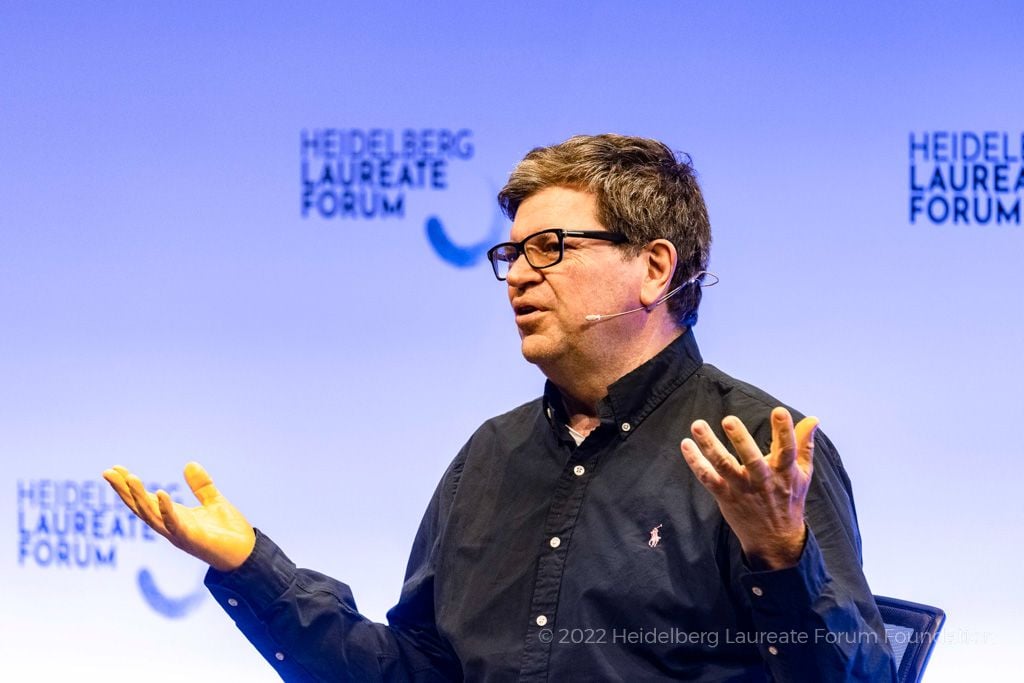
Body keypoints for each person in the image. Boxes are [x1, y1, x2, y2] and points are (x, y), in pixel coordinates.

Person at [104, 134, 897, 682]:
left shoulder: (760, 449)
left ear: (654, 267)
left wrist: (782, 556)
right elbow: (413, 670)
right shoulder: (489, 456)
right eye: (511, 253)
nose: (518, 275)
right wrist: (253, 568)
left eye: (551, 248)